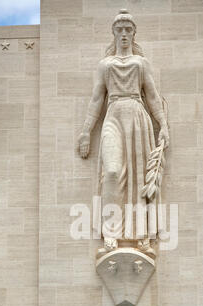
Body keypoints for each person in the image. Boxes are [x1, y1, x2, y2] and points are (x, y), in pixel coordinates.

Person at [78, 9, 169, 254]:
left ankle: (141, 236)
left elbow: (152, 96)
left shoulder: (141, 63)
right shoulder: (105, 65)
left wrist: (163, 125)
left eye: (129, 29)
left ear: (134, 33)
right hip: (113, 116)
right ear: (114, 33)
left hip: (138, 118)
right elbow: (97, 99)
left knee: (140, 177)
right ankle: (111, 233)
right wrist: (86, 131)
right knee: (112, 171)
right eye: (120, 29)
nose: (125, 34)